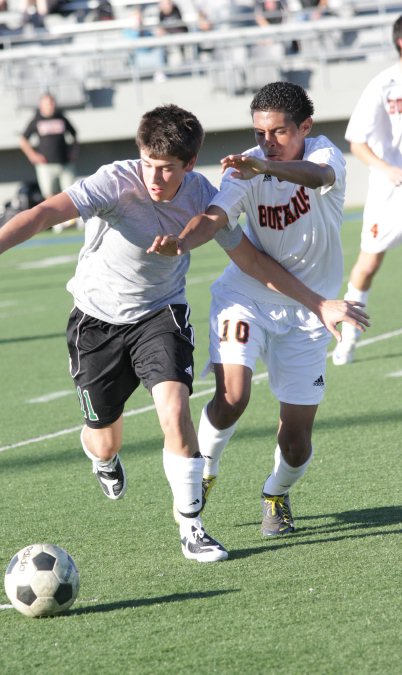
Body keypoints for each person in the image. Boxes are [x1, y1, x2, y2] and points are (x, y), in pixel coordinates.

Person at [0, 104, 367, 562]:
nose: (154, 177)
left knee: (174, 409)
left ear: (189, 164)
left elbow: (249, 259)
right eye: (148, 163)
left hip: (160, 314)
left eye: (167, 168)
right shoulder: (114, 181)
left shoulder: (203, 195)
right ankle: (102, 455)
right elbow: (46, 211)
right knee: (104, 436)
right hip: (95, 321)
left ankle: (192, 527)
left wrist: (316, 302)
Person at [148, 83, 367, 538]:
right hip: (246, 295)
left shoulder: (325, 157)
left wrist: (266, 166)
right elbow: (214, 217)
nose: (268, 141)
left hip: (310, 312)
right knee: (234, 395)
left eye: (279, 132)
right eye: (260, 132)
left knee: (296, 440)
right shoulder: (244, 169)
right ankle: (203, 472)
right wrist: (183, 242)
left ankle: (275, 492)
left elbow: (315, 177)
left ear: (304, 127)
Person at [332, 14, 402, 366]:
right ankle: (347, 337)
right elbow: (356, 142)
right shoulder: (384, 84)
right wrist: (388, 169)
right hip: (391, 193)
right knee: (368, 264)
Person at [19, 93, 78, 202]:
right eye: (47, 103)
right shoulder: (37, 120)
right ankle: (57, 219)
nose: (51, 105)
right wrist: (32, 155)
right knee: (49, 196)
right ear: (41, 105)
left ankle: (71, 219)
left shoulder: (61, 117)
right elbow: (23, 140)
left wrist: (73, 151)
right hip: (46, 165)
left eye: (52, 102)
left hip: (64, 163)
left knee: (70, 193)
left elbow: (74, 134)